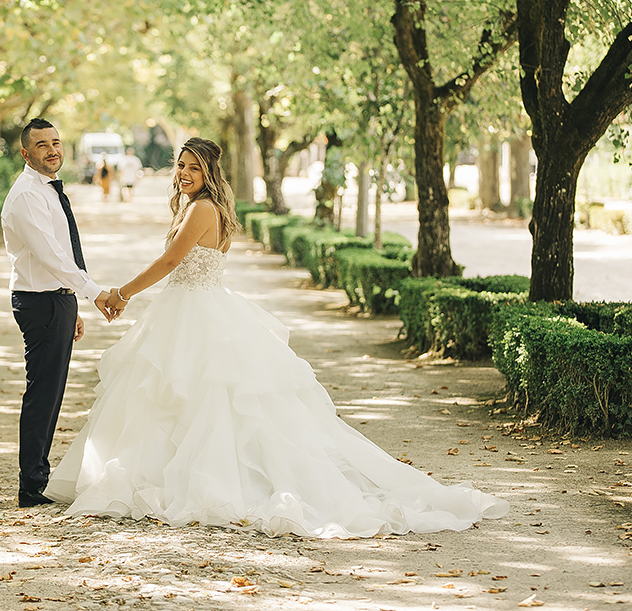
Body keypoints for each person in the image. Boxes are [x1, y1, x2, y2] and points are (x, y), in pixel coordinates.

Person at [45, 137, 509, 538]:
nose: (183, 174)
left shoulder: (201, 209)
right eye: (180, 167)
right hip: (200, 306)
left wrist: (120, 294)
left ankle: (205, 482)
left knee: (195, 394)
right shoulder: (208, 206)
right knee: (182, 397)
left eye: (193, 167)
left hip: (193, 310)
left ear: (209, 172)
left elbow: (170, 264)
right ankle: (174, 473)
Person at [0, 118, 111, 508]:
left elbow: (59, 257)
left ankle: (37, 478)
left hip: (56, 298)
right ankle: (31, 485)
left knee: (51, 392)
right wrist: (95, 293)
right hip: (40, 301)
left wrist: (73, 302)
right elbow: (51, 257)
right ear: (26, 153)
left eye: (56, 142)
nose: (52, 150)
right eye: (42, 145)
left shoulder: (46, 190)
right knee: (43, 394)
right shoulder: (28, 195)